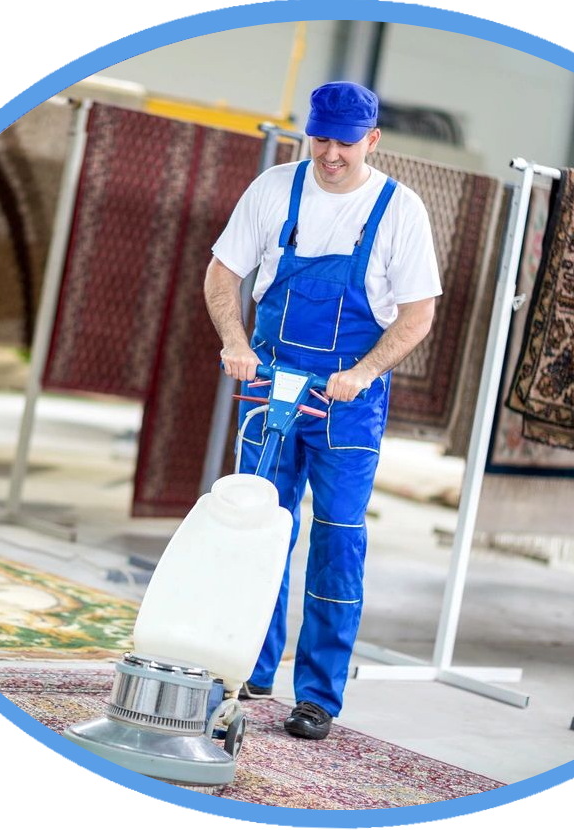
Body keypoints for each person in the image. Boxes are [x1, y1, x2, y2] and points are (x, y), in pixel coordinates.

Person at [203, 81, 441, 740]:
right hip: (270, 383)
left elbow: (418, 314)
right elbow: (223, 273)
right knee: (258, 523)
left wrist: (362, 373)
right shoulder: (275, 190)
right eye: (320, 139)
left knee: (336, 537)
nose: (330, 154)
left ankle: (318, 696)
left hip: (347, 402)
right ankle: (245, 665)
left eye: (344, 142)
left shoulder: (400, 210)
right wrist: (234, 341)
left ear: (372, 140)